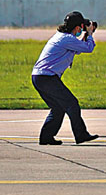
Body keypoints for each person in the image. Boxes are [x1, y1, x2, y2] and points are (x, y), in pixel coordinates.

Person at [31, 11, 99, 145]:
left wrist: (86, 34)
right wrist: (90, 34)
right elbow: (89, 48)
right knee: (72, 104)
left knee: (58, 108)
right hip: (47, 77)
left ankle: (46, 137)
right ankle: (81, 135)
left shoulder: (62, 37)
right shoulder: (67, 39)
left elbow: (79, 49)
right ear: (78, 27)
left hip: (39, 77)